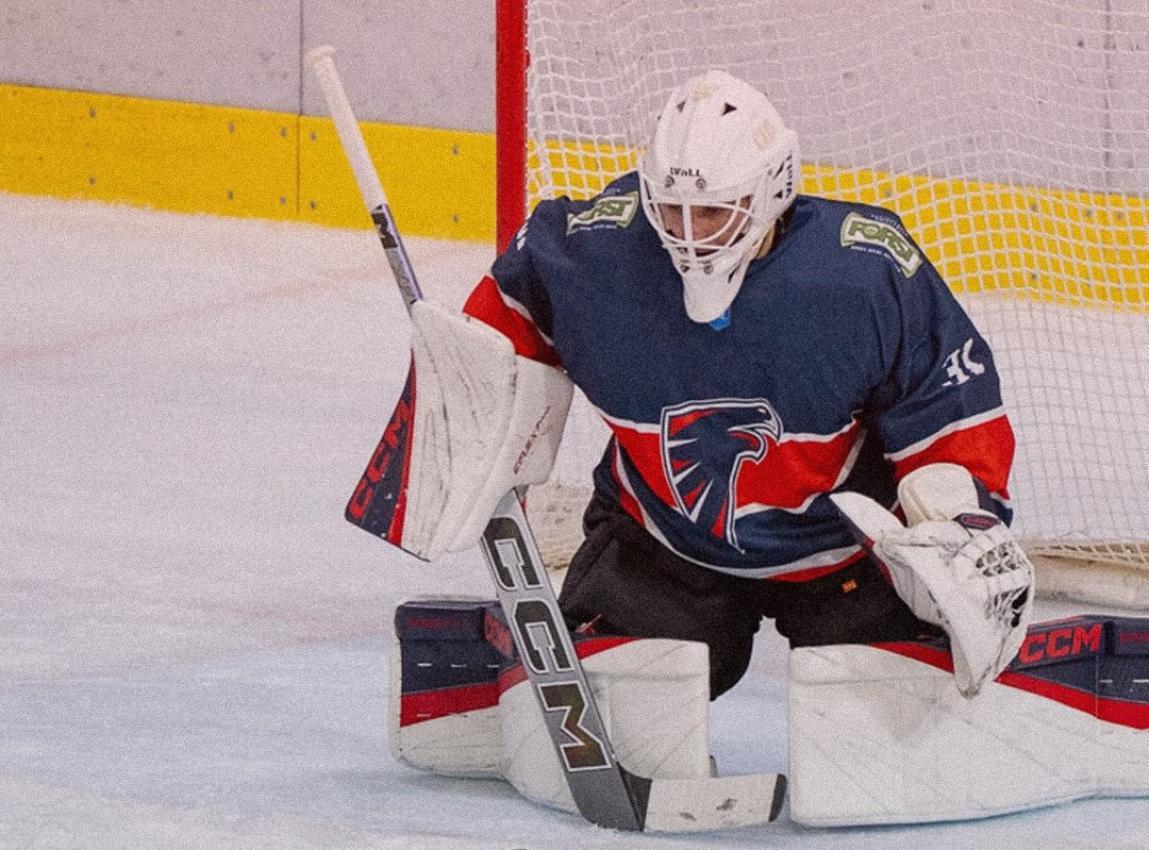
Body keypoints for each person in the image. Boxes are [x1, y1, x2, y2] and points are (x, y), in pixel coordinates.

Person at [454, 69, 1026, 699]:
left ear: (771, 192)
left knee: (887, 709)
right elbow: (493, 337)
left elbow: (950, 412)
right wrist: (459, 384)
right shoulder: (593, 255)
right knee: (627, 696)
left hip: (849, 555)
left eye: (716, 212)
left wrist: (957, 523)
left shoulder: (864, 275)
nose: (691, 235)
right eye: (673, 209)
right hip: (666, 544)